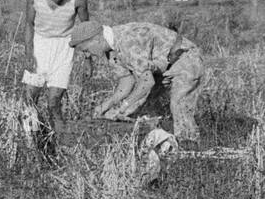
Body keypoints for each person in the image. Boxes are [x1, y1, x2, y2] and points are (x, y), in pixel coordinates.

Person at [69, 19, 204, 144]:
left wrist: (124, 105)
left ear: (97, 39)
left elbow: (147, 82)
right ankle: (158, 144)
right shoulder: (110, 51)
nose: (87, 55)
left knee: (179, 105)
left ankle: (189, 149)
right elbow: (126, 80)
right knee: (142, 110)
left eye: (86, 50)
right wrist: (105, 106)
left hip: (184, 58)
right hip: (161, 68)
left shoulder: (127, 41)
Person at [21, 0, 89, 143]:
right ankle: (32, 143)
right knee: (30, 99)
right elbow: (29, 24)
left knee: (54, 102)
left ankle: (60, 144)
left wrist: (88, 59)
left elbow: (85, 28)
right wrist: (29, 53)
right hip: (40, 45)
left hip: (64, 49)